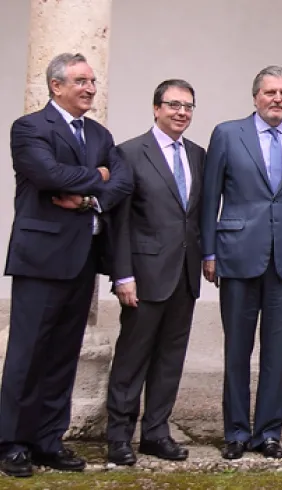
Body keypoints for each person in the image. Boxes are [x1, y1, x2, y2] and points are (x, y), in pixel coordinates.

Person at [0, 52, 132, 478]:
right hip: (40, 260)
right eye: (80, 81)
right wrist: (99, 175)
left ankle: (48, 440)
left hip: (82, 261)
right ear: (56, 86)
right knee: (27, 353)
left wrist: (92, 196)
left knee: (62, 355)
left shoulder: (99, 132)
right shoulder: (29, 128)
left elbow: (124, 178)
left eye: (92, 81)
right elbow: (48, 175)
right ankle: (12, 442)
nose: (90, 88)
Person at [200, 65, 282, 460]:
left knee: (276, 350)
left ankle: (268, 431)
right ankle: (235, 431)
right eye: (270, 92)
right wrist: (209, 251)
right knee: (237, 348)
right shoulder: (227, 134)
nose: (277, 99)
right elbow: (209, 197)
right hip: (236, 254)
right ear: (255, 97)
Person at [105, 79, 206, 465]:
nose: (182, 112)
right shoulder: (130, 153)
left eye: (188, 106)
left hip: (184, 273)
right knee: (132, 357)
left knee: (170, 358)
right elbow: (121, 222)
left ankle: (156, 432)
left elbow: (194, 215)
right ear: (156, 108)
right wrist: (123, 275)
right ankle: (118, 436)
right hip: (143, 275)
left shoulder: (198, 155)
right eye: (173, 105)